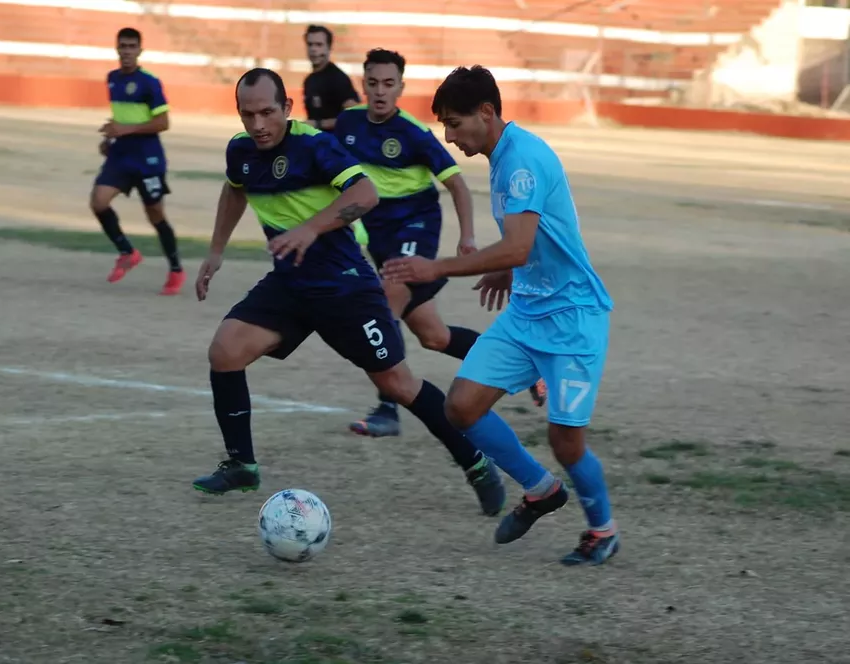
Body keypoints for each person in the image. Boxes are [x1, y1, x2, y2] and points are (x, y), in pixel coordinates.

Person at [189, 67, 506, 517]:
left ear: (287, 108)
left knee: (398, 384)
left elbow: (366, 191)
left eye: (266, 112)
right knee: (225, 351)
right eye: (247, 114)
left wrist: (310, 229)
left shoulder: (315, 146)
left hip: (345, 287)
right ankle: (242, 464)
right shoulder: (241, 151)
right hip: (290, 283)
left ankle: (474, 462)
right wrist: (216, 250)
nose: (258, 125)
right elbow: (235, 188)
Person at [381, 65, 620, 566]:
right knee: (462, 407)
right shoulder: (502, 153)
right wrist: (513, 272)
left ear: (486, 113)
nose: (449, 137)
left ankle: (603, 531)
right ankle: (541, 490)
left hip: (573, 318)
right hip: (529, 310)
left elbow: (518, 245)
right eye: (444, 125)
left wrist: (436, 267)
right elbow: (538, 236)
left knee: (566, 440)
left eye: (455, 123)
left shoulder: (521, 161)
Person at [333, 48, 546, 438]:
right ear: (362, 84)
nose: (380, 92)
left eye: (388, 84)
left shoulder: (414, 133)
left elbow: (458, 185)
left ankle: (387, 410)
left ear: (400, 87)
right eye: (373, 83)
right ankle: (524, 364)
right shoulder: (346, 124)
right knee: (434, 336)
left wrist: (467, 237)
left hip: (415, 230)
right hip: (378, 237)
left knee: (384, 304)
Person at [90, 27, 186, 296]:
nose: (127, 51)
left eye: (132, 46)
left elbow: (163, 122)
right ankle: (127, 252)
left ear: (140, 50)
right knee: (98, 202)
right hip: (120, 156)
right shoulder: (112, 79)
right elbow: (120, 118)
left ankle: (176, 268)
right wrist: (109, 141)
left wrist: (124, 130)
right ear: (117, 49)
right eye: (123, 46)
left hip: (148, 159)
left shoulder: (149, 83)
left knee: (155, 215)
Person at [302, 25, 360, 132]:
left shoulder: (338, 79)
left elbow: (355, 116)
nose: (313, 49)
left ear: (329, 48)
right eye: (310, 44)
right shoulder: (309, 80)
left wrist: (318, 124)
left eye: (319, 45)